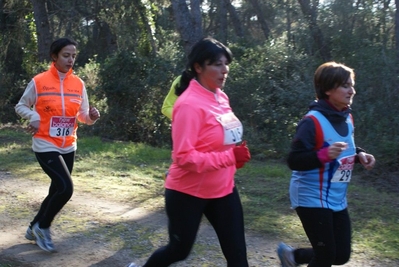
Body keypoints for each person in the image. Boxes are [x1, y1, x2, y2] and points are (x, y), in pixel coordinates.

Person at [125, 37, 251, 267]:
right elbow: (183, 157)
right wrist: (229, 157)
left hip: (223, 190)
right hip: (188, 193)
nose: (225, 70)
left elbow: (220, 138)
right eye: (217, 64)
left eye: (226, 64)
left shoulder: (220, 96)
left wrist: (234, 158)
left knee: (238, 257)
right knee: (178, 251)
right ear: (198, 67)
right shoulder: (188, 105)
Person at [277, 62, 375, 267]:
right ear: (329, 89)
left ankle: (293, 257)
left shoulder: (347, 116)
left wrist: (360, 155)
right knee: (326, 257)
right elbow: (294, 160)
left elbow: (347, 148)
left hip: (337, 197)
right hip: (310, 196)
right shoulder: (311, 121)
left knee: (340, 255)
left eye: (352, 85)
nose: (352, 90)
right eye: (346, 86)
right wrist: (323, 155)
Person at [15, 37, 101, 253]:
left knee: (56, 189)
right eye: (66, 55)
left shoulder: (78, 84)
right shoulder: (39, 81)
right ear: (54, 56)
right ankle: (43, 227)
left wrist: (91, 116)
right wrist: (33, 116)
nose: (70, 59)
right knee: (65, 188)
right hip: (45, 143)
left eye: (73, 56)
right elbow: (21, 105)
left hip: (68, 144)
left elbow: (82, 116)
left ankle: (33, 226)